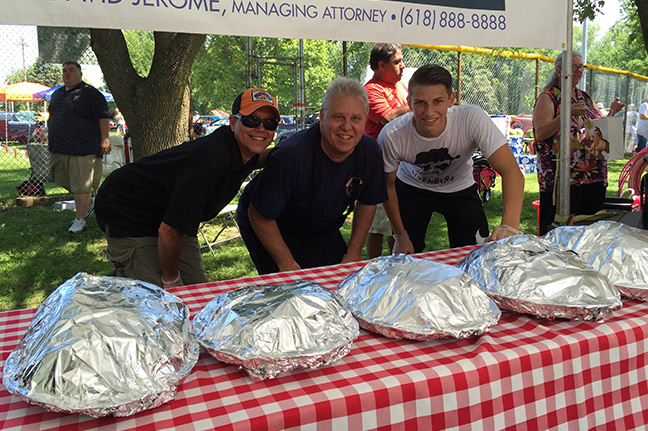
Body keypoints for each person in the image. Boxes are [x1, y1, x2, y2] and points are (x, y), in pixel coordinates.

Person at [94, 88, 280, 287]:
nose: (261, 129)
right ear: (233, 122)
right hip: (128, 212)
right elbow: (169, 231)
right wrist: (171, 279)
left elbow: (260, 158)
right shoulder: (210, 162)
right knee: (159, 301)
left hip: (173, 219)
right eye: (251, 120)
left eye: (269, 123)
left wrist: (293, 148)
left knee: (197, 290)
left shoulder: (241, 149)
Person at [236, 77, 388, 275]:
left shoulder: (370, 151)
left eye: (355, 119)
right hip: (271, 220)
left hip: (321, 224)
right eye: (338, 117)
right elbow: (259, 215)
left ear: (365, 121)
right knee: (291, 289)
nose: (346, 127)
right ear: (322, 117)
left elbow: (368, 202)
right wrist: (287, 265)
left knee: (340, 279)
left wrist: (354, 252)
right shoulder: (291, 156)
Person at [379, 64, 524, 253]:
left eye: (437, 101)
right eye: (421, 103)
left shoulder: (471, 118)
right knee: (403, 256)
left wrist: (509, 227)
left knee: (476, 253)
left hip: (460, 188)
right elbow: (387, 186)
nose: (429, 112)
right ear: (409, 101)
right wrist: (400, 236)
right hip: (411, 188)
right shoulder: (391, 135)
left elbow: (511, 171)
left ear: (451, 99)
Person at [532, 52, 624, 236]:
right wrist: (565, 114)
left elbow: (598, 128)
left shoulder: (584, 97)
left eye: (580, 66)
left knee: (589, 230)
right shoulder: (549, 97)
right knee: (561, 232)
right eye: (573, 67)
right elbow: (541, 132)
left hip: (593, 174)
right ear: (559, 71)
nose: (578, 71)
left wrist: (612, 113)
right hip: (563, 178)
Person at [47, 61, 111, 233]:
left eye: (71, 70)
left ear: (80, 74)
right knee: (58, 177)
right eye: (64, 71)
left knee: (81, 185)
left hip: (84, 147)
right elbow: (52, 117)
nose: (67, 73)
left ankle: (79, 219)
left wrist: (105, 139)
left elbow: (103, 118)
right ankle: (87, 201)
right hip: (60, 146)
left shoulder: (91, 93)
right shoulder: (57, 94)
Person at [363, 43, 411, 258]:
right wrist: (418, 104)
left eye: (401, 60)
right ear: (381, 66)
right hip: (379, 165)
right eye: (397, 62)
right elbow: (388, 118)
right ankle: (373, 266)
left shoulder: (400, 87)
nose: (403, 65)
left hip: (402, 165)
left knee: (396, 220)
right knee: (376, 225)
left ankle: (396, 262)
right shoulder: (371, 90)